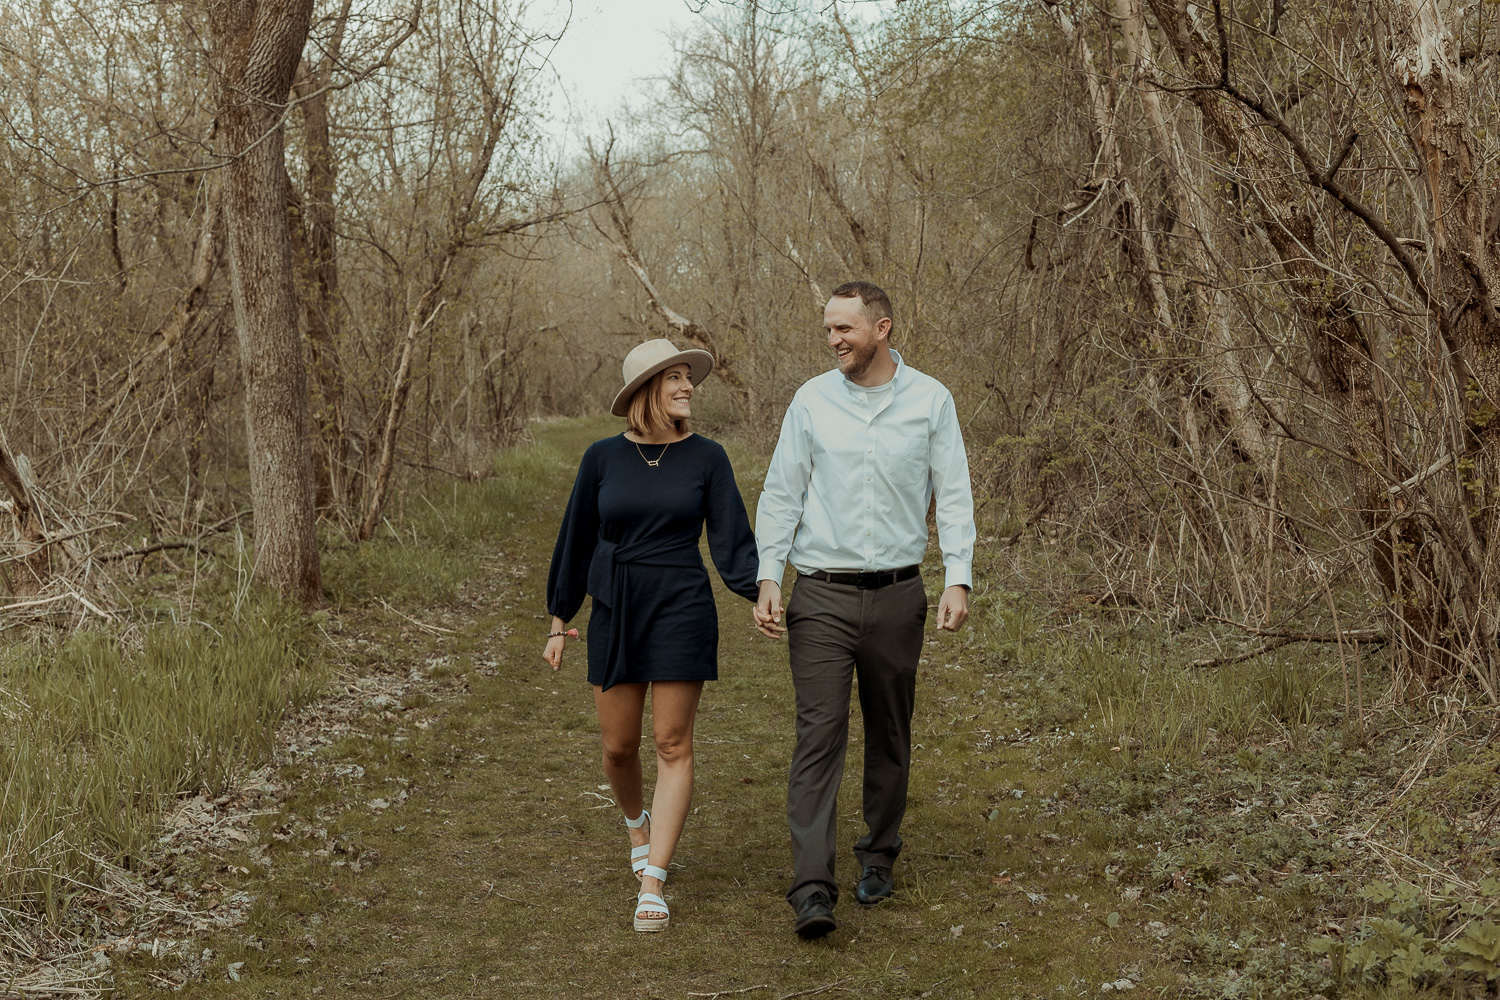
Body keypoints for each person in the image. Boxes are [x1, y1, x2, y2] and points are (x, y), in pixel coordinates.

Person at [753, 281, 976, 940]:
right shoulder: (811, 401)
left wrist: (957, 578)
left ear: (882, 328)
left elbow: (954, 492)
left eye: (844, 329)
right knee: (818, 737)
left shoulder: (931, 400)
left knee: (890, 732)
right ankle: (812, 887)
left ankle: (878, 854)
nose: (833, 341)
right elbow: (781, 490)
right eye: (828, 330)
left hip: (898, 594)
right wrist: (770, 575)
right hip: (819, 592)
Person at [544, 338, 760, 933]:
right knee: (618, 747)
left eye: (689, 378)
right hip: (616, 603)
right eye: (675, 378)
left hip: (680, 603)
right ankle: (635, 822)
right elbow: (575, 539)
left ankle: (654, 879)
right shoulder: (601, 458)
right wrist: (560, 619)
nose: (689, 386)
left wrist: (762, 592)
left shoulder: (709, 458)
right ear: (646, 391)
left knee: (672, 744)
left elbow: (733, 541)